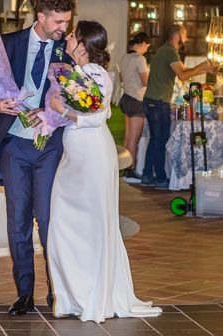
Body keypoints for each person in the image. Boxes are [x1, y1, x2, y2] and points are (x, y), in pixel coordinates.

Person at [47, 21, 162, 323]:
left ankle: (90, 295)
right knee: (66, 223)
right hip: (78, 157)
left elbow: (96, 117)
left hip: (91, 157)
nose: (67, 38)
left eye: (72, 36)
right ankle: (76, 294)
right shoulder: (80, 74)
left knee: (90, 226)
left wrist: (60, 110)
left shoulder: (94, 74)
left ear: (83, 45)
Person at [0, 0, 73, 316]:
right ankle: (24, 292)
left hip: (50, 148)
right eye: (59, 21)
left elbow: (78, 99)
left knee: (49, 221)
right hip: (14, 146)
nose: (64, 27)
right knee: (18, 220)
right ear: (41, 17)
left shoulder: (69, 50)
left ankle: (57, 291)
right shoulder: (8, 44)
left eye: (67, 20)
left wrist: (51, 113)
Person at [141, 24, 218, 190]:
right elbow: (183, 76)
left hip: (152, 101)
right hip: (158, 102)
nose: (187, 38)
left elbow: (182, 72)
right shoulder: (169, 51)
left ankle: (147, 175)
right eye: (185, 35)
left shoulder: (165, 50)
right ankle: (160, 178)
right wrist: (203, 67)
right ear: (177, 36)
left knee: (155, 140)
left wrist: (203, 68)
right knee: (160, 141)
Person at [118, 32, 150, 183]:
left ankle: (124, 169)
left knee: (127, 136)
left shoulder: (125, 57)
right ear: (142, 43)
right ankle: (131, 171)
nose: (146, 49)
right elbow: (146, 82)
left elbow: (122, 78)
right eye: (147, 46)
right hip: (137, 99)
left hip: (126, 98)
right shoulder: (140, 59)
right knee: (134, 138)